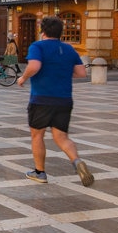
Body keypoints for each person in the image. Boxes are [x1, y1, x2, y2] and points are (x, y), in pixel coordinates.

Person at [16, 16, 93, 187]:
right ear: (61, 32)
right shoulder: (69, 49)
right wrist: (61, 73)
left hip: (42, 99)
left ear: (42, 32)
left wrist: (23, 77)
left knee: (37, 135)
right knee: (62, 137)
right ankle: (77, 161)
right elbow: (82, 73)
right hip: (64, 100)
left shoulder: (37, 46)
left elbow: (34, 66)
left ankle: (39, 172)